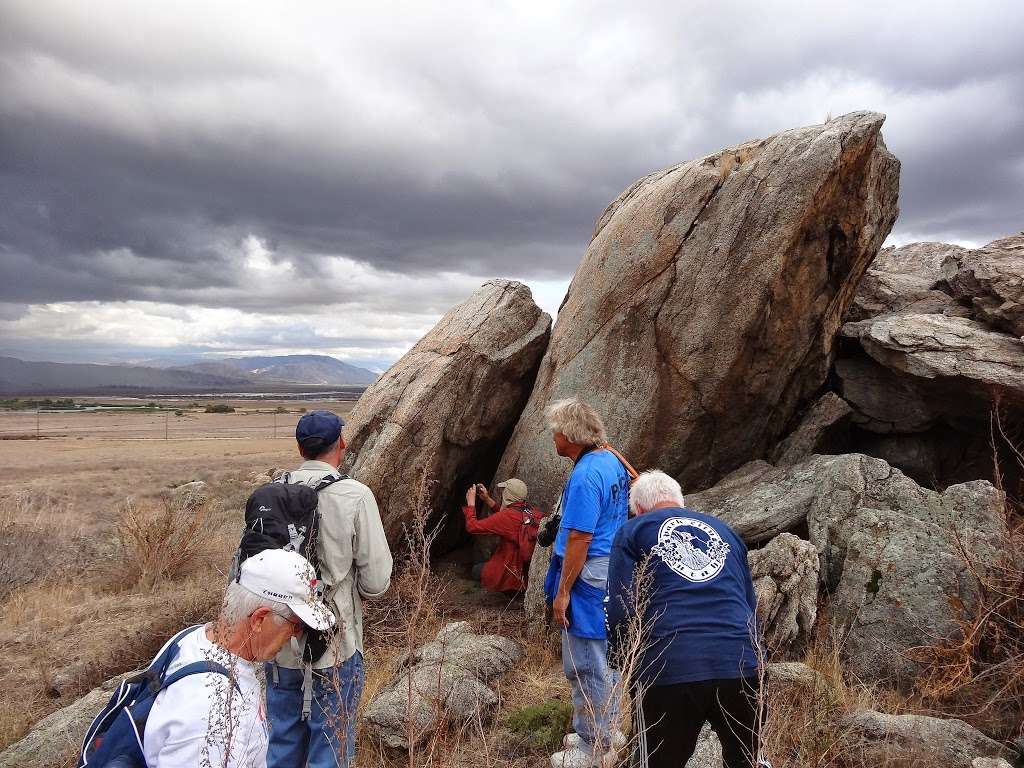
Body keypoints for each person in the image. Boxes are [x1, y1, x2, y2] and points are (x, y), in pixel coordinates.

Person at [605, 470, 767, 768]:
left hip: (669, 666)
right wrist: (758, 659)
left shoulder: (632, 531)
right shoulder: (725, 531)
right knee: (747, 760)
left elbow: (619, 606)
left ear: (638, 509)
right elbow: (750, 605)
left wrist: (621, 658)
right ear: (681, 502)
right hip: (741, 663)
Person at [266, 410, 394, 768]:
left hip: (278, 640)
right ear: (342, 442)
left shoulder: (273, 493)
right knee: (331, 746)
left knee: (282, 743)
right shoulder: (355, 495)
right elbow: (376, 581)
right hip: (335, 641)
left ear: (299, 446)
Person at [146, 549, 335, 768]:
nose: (297, 635)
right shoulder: (211, 714)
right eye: (296, 625)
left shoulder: (192, 639)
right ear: (259, 619)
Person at [544, 398, 630, 768]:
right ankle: (605, 728)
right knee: (603, 654)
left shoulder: (585, 475)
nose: (554, 437)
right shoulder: (610, 459)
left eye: (557, 431)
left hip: (586, 572)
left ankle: (595, 745)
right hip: (608, 568)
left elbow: (580, 536)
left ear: (571, 436)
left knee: (585, 659)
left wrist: (563, 592)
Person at [463, 478, 542, 593]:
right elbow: (507, 519)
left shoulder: (507, 517)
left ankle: (504, 589)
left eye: (505, 490)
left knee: (476, 568)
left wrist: (471, 504)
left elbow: (472, 526)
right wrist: (487, 499)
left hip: (509, 573)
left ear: (508, 495)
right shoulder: (529, 510)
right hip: (523, 572)